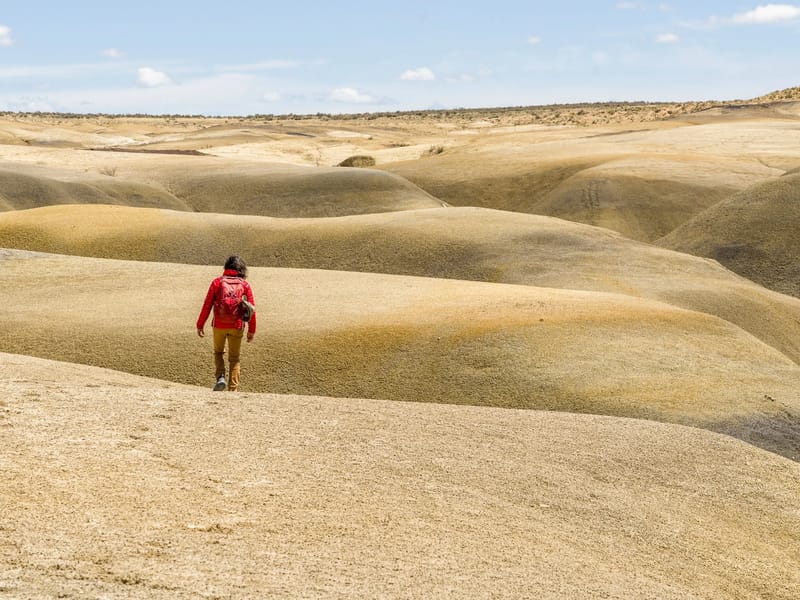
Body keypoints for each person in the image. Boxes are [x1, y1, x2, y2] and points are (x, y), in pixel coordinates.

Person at [196, 255, 257, 391]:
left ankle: (221, 378)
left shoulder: (217, 283)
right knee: (234, 358)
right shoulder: (245, 285)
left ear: (226, 267)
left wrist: (200, 325)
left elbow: (207, 305)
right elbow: (251, 309)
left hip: (219, 325)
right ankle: (233, 390)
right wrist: (251, 331)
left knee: (218, 353)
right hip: (237, 325)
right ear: (241, 268)